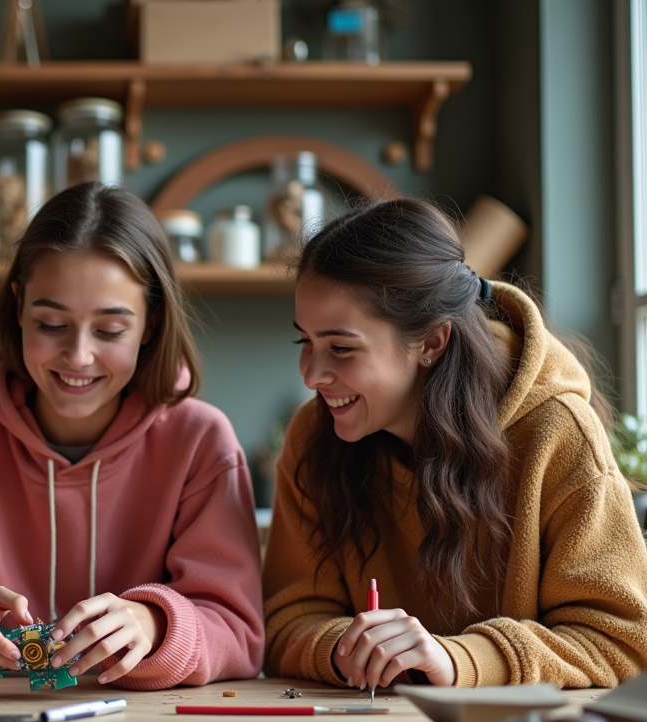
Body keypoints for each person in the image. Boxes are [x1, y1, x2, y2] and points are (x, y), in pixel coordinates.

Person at [0, 182, 264, 691]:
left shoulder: (201, 440)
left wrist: (156, 625)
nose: (78, 356)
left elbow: (239, 632)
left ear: (151, 325)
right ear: (19, 306)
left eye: (111, 331)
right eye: (51, 323)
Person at [264, 198, 647, 690]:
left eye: (341, 348)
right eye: (305, 343)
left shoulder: (558, 433)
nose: (312, 375)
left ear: (431, 343)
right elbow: (286, 618)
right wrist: (348, 649)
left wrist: (459, 659)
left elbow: (619, 640)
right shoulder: (312, 436)